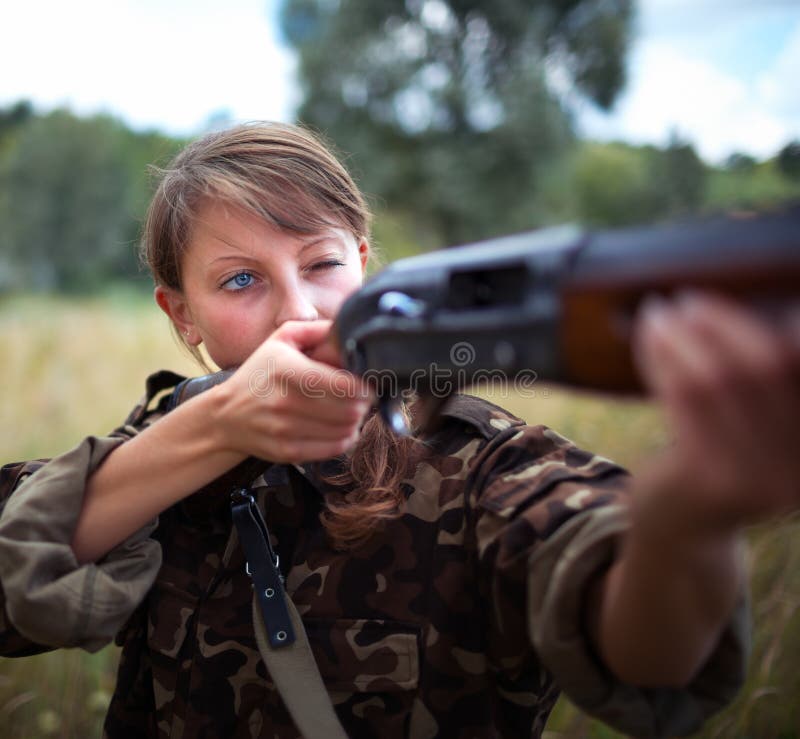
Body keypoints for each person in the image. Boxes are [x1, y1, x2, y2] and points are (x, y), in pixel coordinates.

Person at [0, 121, 797, 738]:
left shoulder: (484, 464)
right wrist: (210, 433)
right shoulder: (148, 452)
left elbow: (651, 658)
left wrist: (685, 514)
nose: (300, 310)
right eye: (241, 279)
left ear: (365, 261)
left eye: (322, 262)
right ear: (183, 316)